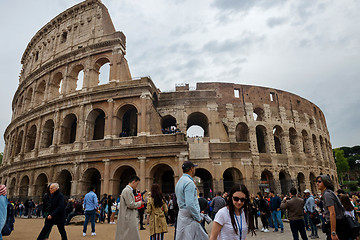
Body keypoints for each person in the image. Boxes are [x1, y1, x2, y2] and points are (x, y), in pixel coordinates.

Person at [175, 161, 208, 240]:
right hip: (189, 217)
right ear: (191, 169)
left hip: (182, 215)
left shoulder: (179, 182)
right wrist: (198, 217)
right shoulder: (189, 183)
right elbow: (190, 204)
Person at [316, 175, 351, 240]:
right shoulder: (329, 192)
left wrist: (333, 232)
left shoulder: (327, 194)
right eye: (317, 181)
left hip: (337, 226)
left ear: (325, 182)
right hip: (339, 224)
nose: (317, 183)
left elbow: (332, 213)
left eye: (319, 181)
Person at [115, 175, 143, 240]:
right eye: (137, 183)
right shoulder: (127, 191)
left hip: (128, 215)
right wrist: (139, 203)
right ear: (133, 182)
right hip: (128, 216)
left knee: (129, 235)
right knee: (129, 235)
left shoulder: (128, 190)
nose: (137, 185)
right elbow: (130, 204)